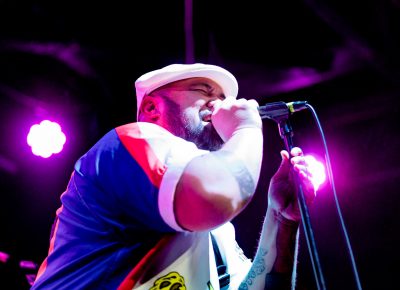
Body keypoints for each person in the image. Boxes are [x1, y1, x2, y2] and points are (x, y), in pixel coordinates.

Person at [31, 63, 315, 290]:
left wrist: (282, 220)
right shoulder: (130, 142)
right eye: (204, 91)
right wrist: (246, 129)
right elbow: (217, 193)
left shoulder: (214, 230)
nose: (219, 105)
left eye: (223, 98)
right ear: (153, 109)